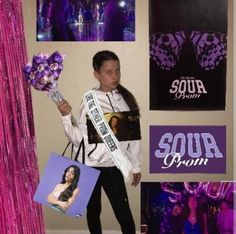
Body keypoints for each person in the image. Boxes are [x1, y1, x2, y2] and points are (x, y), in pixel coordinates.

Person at [57, 50, 142, 233]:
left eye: (117, 71)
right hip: (90, 167)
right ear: (97, 74)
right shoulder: (90, 100)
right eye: (109, 72)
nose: (115, 76)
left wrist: (135, 167)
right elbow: (78, 138)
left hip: (113, 167)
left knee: (124, 214)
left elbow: (133, 139)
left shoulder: (125, 100)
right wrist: (66, 117)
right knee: (93, 211)